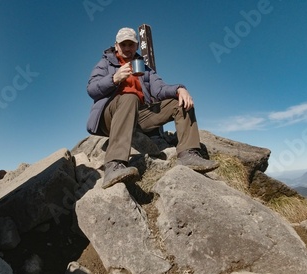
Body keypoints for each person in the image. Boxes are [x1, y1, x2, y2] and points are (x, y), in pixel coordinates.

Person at [86, 27, 219, 188]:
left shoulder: (142, 67)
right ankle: (114, 165)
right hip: (111, 116)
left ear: (136, 46)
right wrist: (114, 78)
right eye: (123, 44)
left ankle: (188, 154)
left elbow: (160, 89)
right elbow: (92, 89)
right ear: (116, 45)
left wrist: (179, 89)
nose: (127, 48)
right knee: (130, 97)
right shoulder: (105, 63)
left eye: (131, 44)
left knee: (179, 101)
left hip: (138, 116)